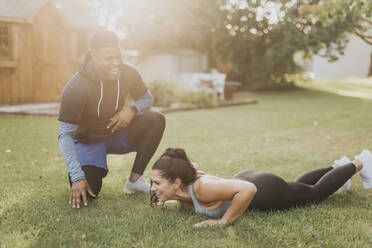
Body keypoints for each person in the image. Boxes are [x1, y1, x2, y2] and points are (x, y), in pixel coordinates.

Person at [58, 30, 165, 209]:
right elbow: (65, 135)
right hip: (88, 141)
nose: (116, 63)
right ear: (94, 56)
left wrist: (132, 110)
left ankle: (135, 180)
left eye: (118, 56)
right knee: (88, 194)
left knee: (156, 119)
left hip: (116, 132)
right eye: (109, 58)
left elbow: (147, 98)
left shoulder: (128, 72)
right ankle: (88, 172)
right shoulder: (76, 87)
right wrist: (77, 176)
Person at [150, 148, 372, 227]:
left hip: (262, 191)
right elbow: (193, 166)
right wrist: (164, 198)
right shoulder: (182, 187)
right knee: (299, 185)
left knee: (315, 193)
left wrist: (222, 222)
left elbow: (247, 190)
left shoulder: (202, 188)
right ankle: (338, 166)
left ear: (176, 181)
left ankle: (360, 162)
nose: (153, 188)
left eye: (157, 183)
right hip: (249, 178)